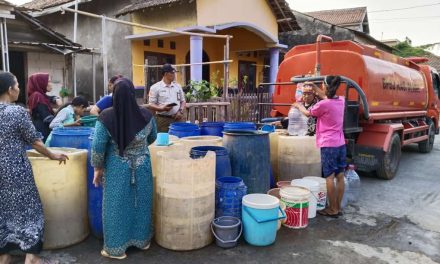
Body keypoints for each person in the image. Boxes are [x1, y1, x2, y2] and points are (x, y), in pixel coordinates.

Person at [0, 71, 68, 264]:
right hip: (15, 171)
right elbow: (35, 142)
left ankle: (4, 255)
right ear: (10, 89)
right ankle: (31, 256)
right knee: (30, 210)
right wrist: (53, 155)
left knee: (2, 210)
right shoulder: (17, 112)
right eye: (17, 85)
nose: (19, 89)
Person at [91, 78, 157, 260]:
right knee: (141, 203)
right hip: (143, 166)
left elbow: (98, 146)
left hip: (117, 168)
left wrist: (97, 168)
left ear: (114, 95)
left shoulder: (106, 116)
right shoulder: (146, 115)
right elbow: (152, 137)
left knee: (116, 207)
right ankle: (142, 241)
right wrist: (138, 149)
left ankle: (116, 249)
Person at [294, 75, 346, 218]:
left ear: (324, 86)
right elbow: (327, 97)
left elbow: (308, 114)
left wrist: (298, 105)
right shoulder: (341, 101)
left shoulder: (323, 105)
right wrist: (316, 87)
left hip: (328, 145)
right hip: (341, 143)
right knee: (340, 176)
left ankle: (332, 209)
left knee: (329, 177)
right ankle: (338, 207)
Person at [147, 64, 186, 132]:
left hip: (178, 118)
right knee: (164, 140)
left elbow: (183, 101)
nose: (174, 75)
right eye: (172, 73)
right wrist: (161, 108)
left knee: (179, 140)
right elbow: (151, 104)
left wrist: (180, 111)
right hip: (163, 120)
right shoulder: (155, 87)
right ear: (165, 74)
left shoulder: (178, 86)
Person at [27, 73, 62, 142]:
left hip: (40, 128)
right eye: (48, 81)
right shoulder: (37, 96)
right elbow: (47, 117)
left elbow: (49, 98)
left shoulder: (38, 95)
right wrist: (62, 123)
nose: (51, 84)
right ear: (41, 82)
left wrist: (55, 99)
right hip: (42, 130)